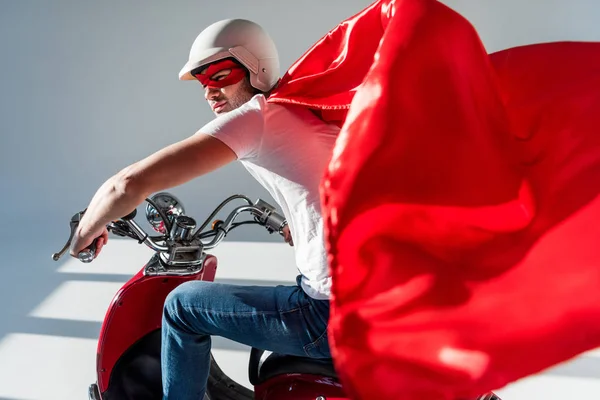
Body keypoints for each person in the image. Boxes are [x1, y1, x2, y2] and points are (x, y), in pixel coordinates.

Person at [69, 19, 340, 399]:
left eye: (219, 74)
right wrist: (300, 224)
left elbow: (128, 184)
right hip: (361, 304)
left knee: (182, 306)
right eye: (202, 81)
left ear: (255, 68)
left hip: (327, 317)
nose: (210, 90)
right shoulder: (304, 111)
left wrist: (85, 232)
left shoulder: (258, 116)